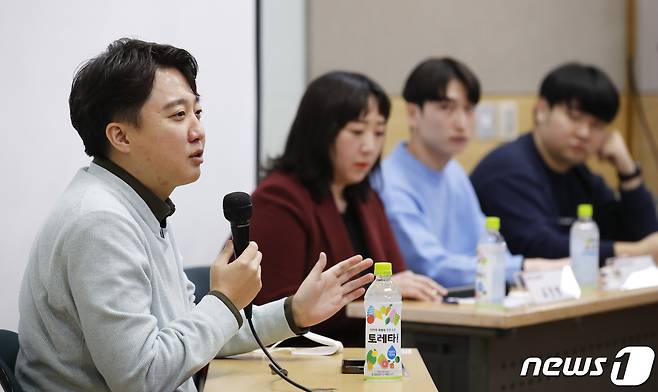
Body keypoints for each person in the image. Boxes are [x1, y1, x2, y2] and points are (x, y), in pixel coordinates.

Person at [16, 38, 374, 392]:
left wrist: (294, 312)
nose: (198, 131)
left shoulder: (140, 204)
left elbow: (197, 337)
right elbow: (142, 377)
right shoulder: (100, 221)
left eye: (197, 112)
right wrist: (224, 301)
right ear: (121, 136)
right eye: (178, 115)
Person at [251, 71, 446, 346]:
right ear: (319, 132)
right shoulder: (278, 199)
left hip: (367, 353)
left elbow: (396, 275)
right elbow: (278, 309)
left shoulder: (365, 196)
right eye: (356, 132)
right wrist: (377, 292)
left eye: (378, 133)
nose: (370, 147)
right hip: (300, 362)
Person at [378, 58, 554, 289]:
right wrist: (521, 268)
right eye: (446, 108)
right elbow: (431, 266)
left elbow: (486, 241)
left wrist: (524, 270)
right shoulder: (390, 181)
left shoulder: (453, 171)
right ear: (413, 114)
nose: (461, 123)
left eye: (469, 109)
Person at [471, 63, 658, 262]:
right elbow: (541, 247)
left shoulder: (579, 173)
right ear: (542, 110)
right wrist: (634, 252)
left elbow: (644, 236)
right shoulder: (507, 169)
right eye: (574, 117)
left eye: (596, 125)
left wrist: (628, 171)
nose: (584, 133)